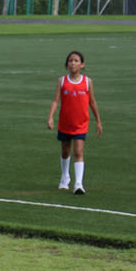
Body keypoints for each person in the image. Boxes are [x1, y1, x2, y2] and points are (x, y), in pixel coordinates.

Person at [46, 50, 103, 195]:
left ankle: (78, 183)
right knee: (65, 151)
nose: (73, 63)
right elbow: (55, 101)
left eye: (76, 61)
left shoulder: (87, 82)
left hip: (81, 124)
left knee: (78, 152)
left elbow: (92, 102)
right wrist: (51, 117)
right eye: (70, 61)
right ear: (67, 64)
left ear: (82, 65)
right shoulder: (62, 81)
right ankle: (65, 176)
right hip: (65, 123)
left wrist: (98, 121)